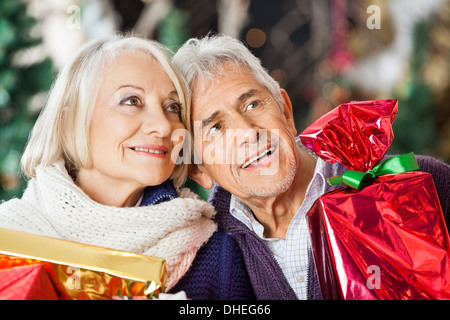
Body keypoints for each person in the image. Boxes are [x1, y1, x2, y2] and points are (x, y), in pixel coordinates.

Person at [172, 34, 450, 300]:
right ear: (199, 170)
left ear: (286, 112)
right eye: (216, 128)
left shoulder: (417, 184)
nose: (247, 132)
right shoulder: (208, 259)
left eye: (253, 104)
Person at [0, 35, 255, 300]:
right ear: (69, 122)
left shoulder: (216, 255)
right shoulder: (8, 234)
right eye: (132, 101)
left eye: (172, 107)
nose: (164, 125)